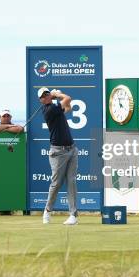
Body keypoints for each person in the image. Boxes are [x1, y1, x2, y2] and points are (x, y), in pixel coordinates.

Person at [38, 87, 78, 226]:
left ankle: (73, 215)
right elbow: (68, 99)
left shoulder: (55, 108)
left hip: (71, 149)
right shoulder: (48, 110)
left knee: (71, 181)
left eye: (48, 93)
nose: (47, 95)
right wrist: (57, 94)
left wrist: (56, 97)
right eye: (44, 95)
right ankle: (47, 211)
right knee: (56, 184)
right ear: (41, 100)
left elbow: (68, 108)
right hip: (58, 152)